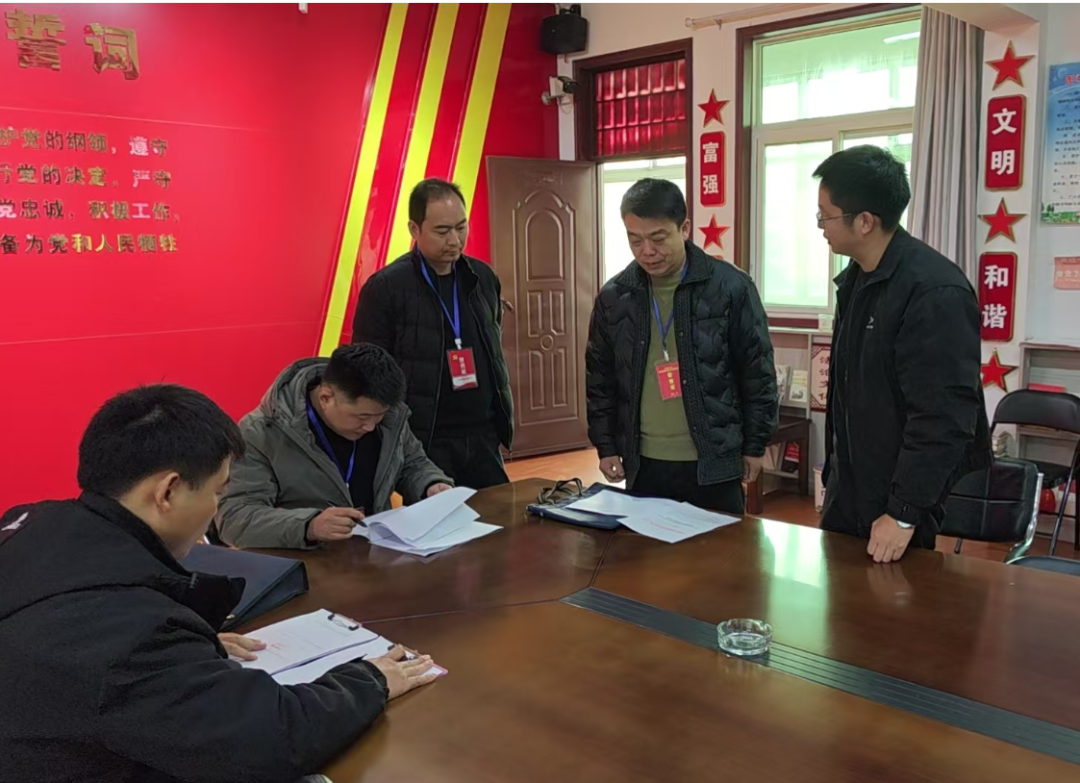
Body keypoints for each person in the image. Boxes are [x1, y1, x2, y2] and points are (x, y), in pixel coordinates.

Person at [0, 385, 437, 783]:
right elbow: (271, 737)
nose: (216, 508)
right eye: (217, 492)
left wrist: (182, 651)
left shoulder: (27, 526)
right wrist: (369, 679)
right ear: (168, 492)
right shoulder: (131, 637)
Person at [814, 145, 991, 563]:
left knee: (893, 600)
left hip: (900, 498)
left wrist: (904, 513)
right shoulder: (857, 279)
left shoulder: (934, 291)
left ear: (865, 221)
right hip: (852, 486)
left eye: (825, 215)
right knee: (838, 595)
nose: (819, 226)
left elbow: (944, 416)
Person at [585, 178, 778, 514]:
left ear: (685, 228)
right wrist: (606, 445)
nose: (647, 251)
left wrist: (755, 445)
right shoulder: (615, 296)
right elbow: (599, 378)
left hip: (713, 462)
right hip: (644, 464)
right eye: (635, 240)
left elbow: (757, 371)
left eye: (658, 238)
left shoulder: (731, 287)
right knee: (648, 547)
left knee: (719, 546)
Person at [353, 178, 513, 490]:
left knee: (500, 514)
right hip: (425, 439)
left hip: (483, 433)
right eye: (442, 231)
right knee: (439, 519)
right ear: (414, 229)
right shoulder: (386, 288)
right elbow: (369, 371)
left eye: (461, 227)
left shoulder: (482, 277)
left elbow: (493, 348)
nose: (455, 240)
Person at [217, 344, 452, 549]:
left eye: (379, 415)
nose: (370, 426)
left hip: (378, 554)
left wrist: (430, 484)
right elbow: (234, 518)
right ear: (326, 397)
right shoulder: (260, 433)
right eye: (362, 416)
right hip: (307, 564)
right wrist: (309, 526)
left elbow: (412, 463)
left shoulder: (388, 418)